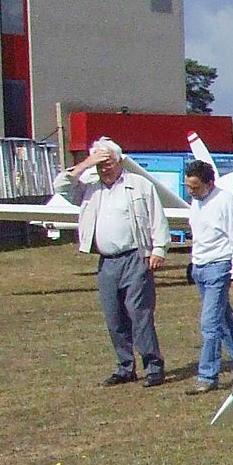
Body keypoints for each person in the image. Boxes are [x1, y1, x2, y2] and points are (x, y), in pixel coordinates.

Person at [55, 137, 170, 386]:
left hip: (135, 257)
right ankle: (125, 366)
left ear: (119, 161)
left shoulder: (139, 185)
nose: (103, 167)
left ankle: (153, 367)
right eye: (99, 162)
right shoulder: (89, 188)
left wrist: (158, 248)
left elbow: (157, 217)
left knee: (139, 314)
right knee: (114, 317)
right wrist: (86, 163)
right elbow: (61, 186)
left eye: (107, 161)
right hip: (107, 261)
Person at [182, 159, 233, 394]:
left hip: (219, 267)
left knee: (210, 323)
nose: (191, 192)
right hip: (200, 267)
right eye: (188, 187)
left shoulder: (225, 202)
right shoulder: (196, 203)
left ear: (209, 183)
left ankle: (207, 376)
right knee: (224, 321)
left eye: (195, 187)